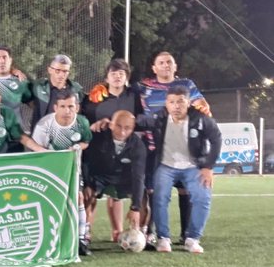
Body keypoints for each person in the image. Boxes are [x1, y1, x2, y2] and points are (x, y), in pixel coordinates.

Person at [137, 85, 221, 254]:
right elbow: (138, 121)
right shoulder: (159, 118)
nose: (176, 106)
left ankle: (192, 239)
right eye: (172, 102)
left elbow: (216, 138)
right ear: (166, 104)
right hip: (166, 166)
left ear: (188, 103)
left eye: (181, 102)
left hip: (193, 167)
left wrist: (208, 167)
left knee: (203, 197)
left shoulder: (200, 119)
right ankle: (163, 238)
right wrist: (114, 120)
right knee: (159, 198)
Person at [139, 50, 211, 244]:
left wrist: (202, 109)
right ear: (154, 68)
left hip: (183, 147)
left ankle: (186, 233)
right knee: (153, 189)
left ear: (175, 66)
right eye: (161, 62)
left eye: (169, 62)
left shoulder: (187, 85)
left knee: (185, 190)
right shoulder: (144, 87)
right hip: (155, 148)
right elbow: (122, 91)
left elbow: (202, 104)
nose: (166, 65)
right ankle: (151, 233)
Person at [27, 90, 93, 254]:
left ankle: (80, 240)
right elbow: (37, 150)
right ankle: (47, 239)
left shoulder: (82, 122)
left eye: (70, 106)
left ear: (77, 107)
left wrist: (77, 147)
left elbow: (86, 142)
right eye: (62, 106)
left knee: (78, 198)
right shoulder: (44, 125)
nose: (67, 111)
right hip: (49, 169)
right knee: (49, 201)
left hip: (72, 167)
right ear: (55, 108)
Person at [83, 110, 146, 244]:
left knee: (143, 196)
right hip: (100, 175)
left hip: (124, 178)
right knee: (87, 195)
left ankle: (139, 232)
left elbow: (138, 176)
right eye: (118, 126)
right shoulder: (98, 137)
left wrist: (135, 208)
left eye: (127, 128)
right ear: (111, 124)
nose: (122, 132)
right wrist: (88, 184)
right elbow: (86, 161)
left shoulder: (138, 146)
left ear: (133, 128)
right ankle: (84, 231)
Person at [30, 55, 84, 132]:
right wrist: (15, 71)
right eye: (57, 70)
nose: (61, 75)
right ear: (50, 70)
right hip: (40, 135)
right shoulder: (38, 86)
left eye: (65, 71)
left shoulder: (76, 90)